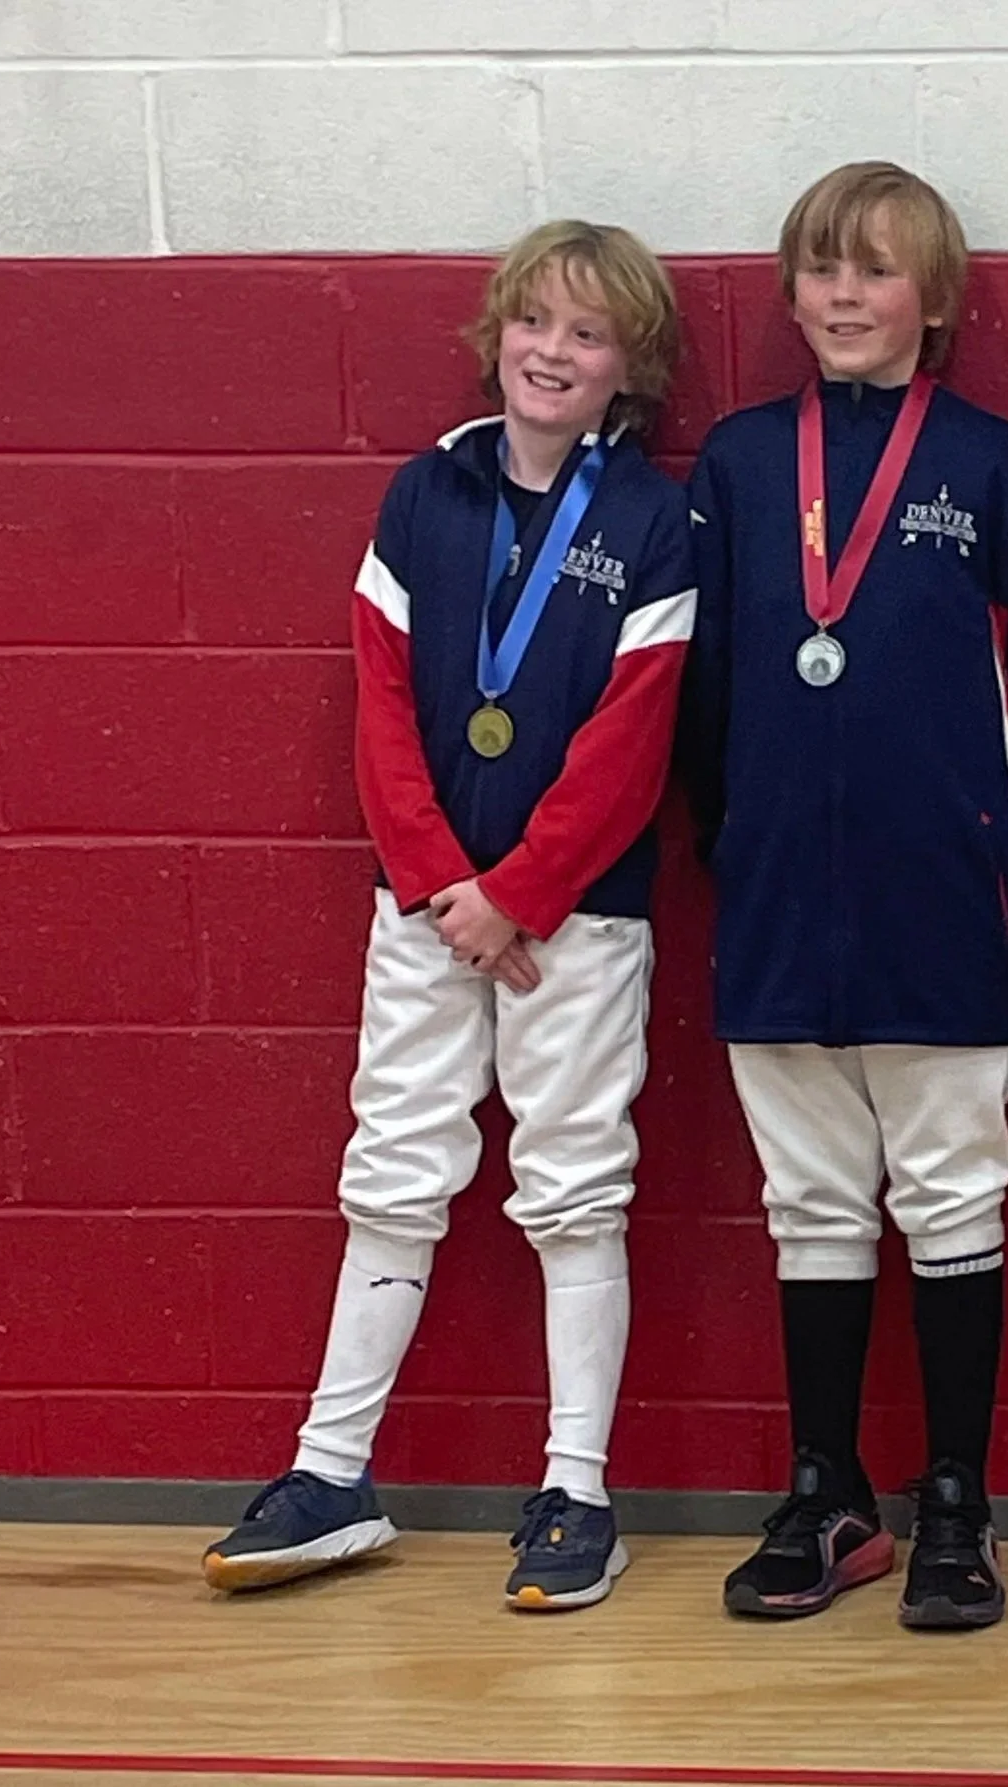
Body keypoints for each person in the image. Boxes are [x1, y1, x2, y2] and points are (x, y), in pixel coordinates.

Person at [201, 220, 694, 1611]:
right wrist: (438, 884)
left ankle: (575, 1486)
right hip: (425, 911)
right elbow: (380, 703)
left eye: (587, 333)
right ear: (499, 332)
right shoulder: (425, 493)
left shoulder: (655, 523)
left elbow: (630, 739)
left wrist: (521, 890)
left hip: (576, 923)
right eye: (535, 320)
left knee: (573, 1187)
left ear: (628, 368)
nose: (553, 349)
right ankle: (331, 1467)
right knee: (393, 1171)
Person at [682, 161, 1008, 1631]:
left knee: (956, 1191)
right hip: (777, 894)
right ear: (788, 292)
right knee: (813, 1202)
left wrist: (956, 818)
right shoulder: (727, 464)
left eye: (878, 270)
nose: (845, 295)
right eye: (822, 269)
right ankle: (826, 1485)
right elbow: (701, 691)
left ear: (938, 298)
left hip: (940, 893)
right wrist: (749, 834)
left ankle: (954, 1496)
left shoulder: (988, 462)